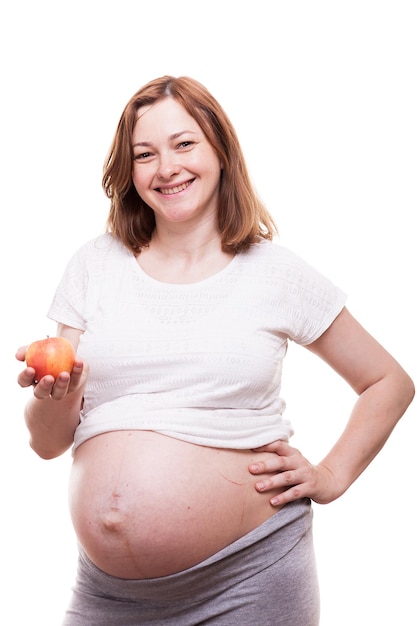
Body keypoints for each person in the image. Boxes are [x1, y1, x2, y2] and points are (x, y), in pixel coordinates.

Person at [16, 75, 414, 626]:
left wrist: (330, 475)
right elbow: (46, 443)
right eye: (145, 154)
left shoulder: (274, 273)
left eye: (184, 144)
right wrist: (59, 395)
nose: (167, 168)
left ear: (220, 151)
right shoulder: (94, 266)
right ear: (129, 172)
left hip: (248, 578)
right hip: (109, 596)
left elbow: (388, 382)